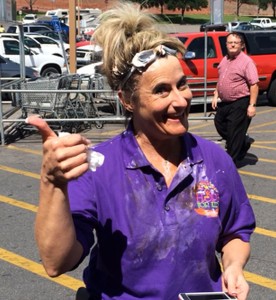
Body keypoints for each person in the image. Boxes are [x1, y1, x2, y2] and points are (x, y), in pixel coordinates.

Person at [28, 3, 255, 300]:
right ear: (128, 100)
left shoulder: (213, 160)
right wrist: (52, 182)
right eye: (162, 90)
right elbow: (57, 262)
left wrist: (233, 266)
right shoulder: (99, 168)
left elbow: (235, 232)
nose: (181, 100)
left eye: (182, 84)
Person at [211, 32, 259, 166]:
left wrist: (252, 105)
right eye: (229, 42)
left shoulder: (246, 62)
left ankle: (229, 163)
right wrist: (216, 94)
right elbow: (221, 79)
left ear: (241, 45)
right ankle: (242, 142)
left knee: (234, 131)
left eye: (235, 43)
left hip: (240, 102)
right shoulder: (224, 59)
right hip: (225, 103)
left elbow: (254, 84)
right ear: (226, 45)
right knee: (219, 123)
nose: (232, 45)